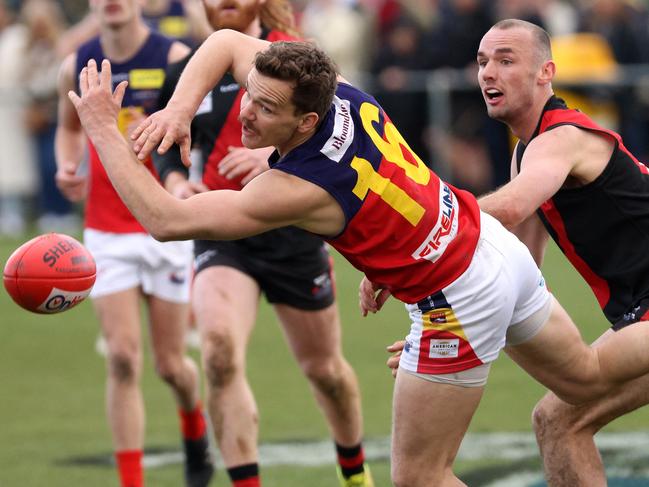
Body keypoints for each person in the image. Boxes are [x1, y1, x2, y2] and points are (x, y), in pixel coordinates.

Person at [70, 33, 649, 487]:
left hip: (457, 294)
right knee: (582, 382)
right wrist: (179, 109)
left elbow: (165, 220)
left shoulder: (296, 187)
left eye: (266, 109)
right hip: (488, 246)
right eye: (249, 93)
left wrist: (102, 130)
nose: (245, 114)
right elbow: (225, 43)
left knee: (417, 476)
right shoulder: (339, 90)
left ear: (305, 124)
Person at [152, 1, 372, 486]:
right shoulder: (187, 73)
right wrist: (175, 184)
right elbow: (167, 142)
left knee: (326, 372)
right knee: (218, 353)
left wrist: (277, 163)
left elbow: (339, 139)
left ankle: (355, 473)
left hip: (292, 233)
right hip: (224, 233)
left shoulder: (294, 59)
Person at [476, 19, 649, 487]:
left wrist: (418, 219)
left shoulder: (561, 138)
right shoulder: (525, 155)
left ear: (544, 72)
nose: (489, 72)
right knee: (558, 420)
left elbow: (508, 207)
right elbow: (517, 273)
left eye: (506, 60)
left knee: (570, 396)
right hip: (640, 315)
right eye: (483, 61)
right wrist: (438, 330)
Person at [54, 1, 213, 486]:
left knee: (171, 366)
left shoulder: (176, 56)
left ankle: (195, 429)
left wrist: (190, 181)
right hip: (105, 230)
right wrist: (68, 165)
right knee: (123, 359)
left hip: (164, 222)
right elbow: (67, 127)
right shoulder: (75, 62)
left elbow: (199, 134)